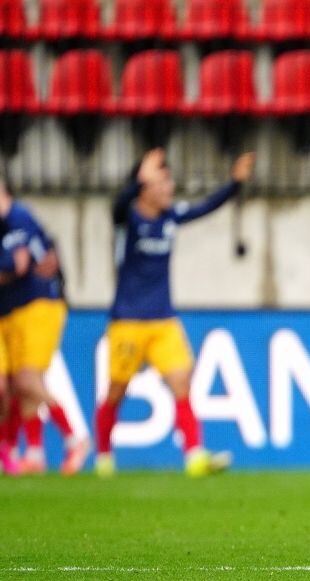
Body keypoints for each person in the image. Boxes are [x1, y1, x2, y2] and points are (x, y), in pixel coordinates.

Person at [93, 148, 254, 478]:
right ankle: (104, 456)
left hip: (163, 319)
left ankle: (195, 455)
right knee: (116, 391)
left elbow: (204, 208)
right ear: (146, 188)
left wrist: (234, 184)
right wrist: (139, 178)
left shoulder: (169, 217)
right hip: (128, 321)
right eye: (163, 183)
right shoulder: (129, 219)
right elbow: (117, 206)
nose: (170, 189)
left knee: (182, 378)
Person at [0, 176, 89, 475]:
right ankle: (34, 453)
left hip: (38, 306)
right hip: (13, 310)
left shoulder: (17, 217)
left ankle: (74, 438)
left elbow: (20, 265)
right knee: (18, 384)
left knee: (26, 380)